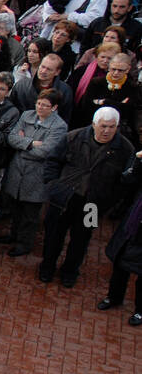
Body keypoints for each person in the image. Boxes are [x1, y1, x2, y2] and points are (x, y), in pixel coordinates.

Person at [40, 107, 134, 288]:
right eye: (103, 126)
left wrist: (108, 202)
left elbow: (124, 182)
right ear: (94, 124)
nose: (107, 131)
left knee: (81, 240)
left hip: (94, 205)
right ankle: (47, 267)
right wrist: (53, 187)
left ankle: (70, 271)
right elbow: (53, 161)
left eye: (112, 127)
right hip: (64, 199)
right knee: (53, 235)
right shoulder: (73, 137)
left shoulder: (125, 149)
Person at [3, 90, 69, 258]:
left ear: (54, 107)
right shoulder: (26, 115)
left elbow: (46, 152)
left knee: (30, 213)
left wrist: (23, 144)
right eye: (38, 103)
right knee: (15, 207)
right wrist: (32, 143)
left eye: (45, 105)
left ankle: (24, 243)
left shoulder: (59, 126)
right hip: (17, 171)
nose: (40, 107)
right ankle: (14, 235)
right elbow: (12, 138)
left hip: (37, 175)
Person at [100, 152, 142, 326]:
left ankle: (140, 310)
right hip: (133, 224)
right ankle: (114, 297)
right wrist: (138, 161)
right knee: (120, 264)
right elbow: (128, 179)